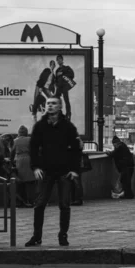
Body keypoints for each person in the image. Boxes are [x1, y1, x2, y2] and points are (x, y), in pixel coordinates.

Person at [26, 97, 81, 247]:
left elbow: (76, 149)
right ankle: (36, 236)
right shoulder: (40, 126)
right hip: (45, 170)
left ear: (60, 106)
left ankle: (63, 235)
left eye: (53, 103)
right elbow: (33, 148)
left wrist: (75, 170)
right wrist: (35, 167)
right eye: (48, 103)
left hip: (64, 171)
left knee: (64, 205)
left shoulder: (68, 126)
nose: (50, 106)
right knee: (39, 204)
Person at [10, 125, 36, 207]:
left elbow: (12, 153)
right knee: (31, 182)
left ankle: (23, 201)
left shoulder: (15, 141)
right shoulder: (30, 140)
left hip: (19, 161)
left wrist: (11, 162)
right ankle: (32, 201)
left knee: (22, 181)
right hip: (29, 159)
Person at [54, 54, 75, 120]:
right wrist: (56, 84)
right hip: (59, 87)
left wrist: (62, 73)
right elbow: (56, 79)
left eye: (59, 59)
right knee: (56, 99)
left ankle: (68, 114)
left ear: (62, 60)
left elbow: (72, 75)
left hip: (64, 87)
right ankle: (57, 112)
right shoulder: (57, 70)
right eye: (57, 60)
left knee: (66, 100)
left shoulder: (66, 68)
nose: (58, 61)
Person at [70, 136, 84, 206]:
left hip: (74, 166)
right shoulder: (78, 140)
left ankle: (77, 199)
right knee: (75, 183)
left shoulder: (75, 141)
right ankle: (76, 199)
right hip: (76, 165)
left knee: (76, 183)